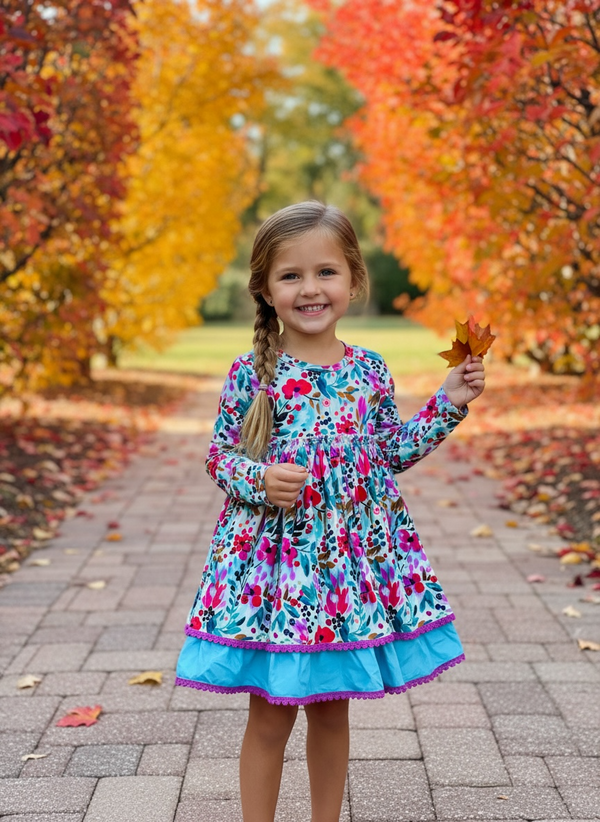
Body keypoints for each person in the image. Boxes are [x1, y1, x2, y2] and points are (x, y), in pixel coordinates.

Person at [176, 201, 486, 822]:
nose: (310, 289)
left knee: (331, 707)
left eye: (326, 273)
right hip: (275, 574)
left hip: (345, 571)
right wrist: (259, 478)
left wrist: (447, 403)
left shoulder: (368, 370)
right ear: (265, 288)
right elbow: (218, 457)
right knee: (269, 713)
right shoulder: (252, 374)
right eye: (290, 276)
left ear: (353, 280)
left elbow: (387, 452)